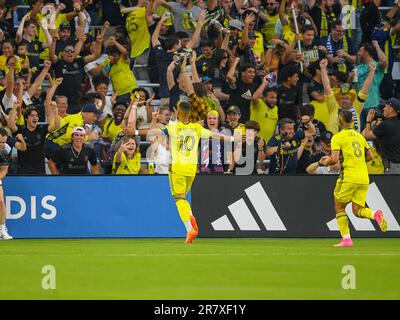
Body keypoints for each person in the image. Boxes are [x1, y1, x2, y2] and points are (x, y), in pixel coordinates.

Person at [139, 102, 238, 244]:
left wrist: (135, 132)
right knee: (183, 198)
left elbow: (153, 133)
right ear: (190, 114)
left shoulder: (172, 127)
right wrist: (233, 138)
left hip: (177, 168)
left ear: (177, 113)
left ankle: (189, 229)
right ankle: (191, 221)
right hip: (191, 169)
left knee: (179, 199)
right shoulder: (196, 128)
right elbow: (215, 136)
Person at [319, 109, 387, 247]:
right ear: (351, 121)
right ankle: (375, 214)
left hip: (349, 176)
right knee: (357, 210)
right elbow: (371, 156)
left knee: (339, 206)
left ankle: (346, 239)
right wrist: (357, 160)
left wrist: (325, 162)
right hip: (363, 177)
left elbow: (334, 159)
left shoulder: (338, 137)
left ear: (340, 121)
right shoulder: (359, 136)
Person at [362, 98, 400, 174]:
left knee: (392, 185)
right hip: (395, 165)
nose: (383, 109)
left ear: (391, 110)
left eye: (385, 107)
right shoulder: (396, 123)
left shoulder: (385, 125)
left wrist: (369, 120)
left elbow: (367, 135)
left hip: (393, 166)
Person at [250, 78, 278, 143]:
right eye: (271, 97)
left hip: (268, 144)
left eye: (275, 98)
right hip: (254, 142)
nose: (274, 100)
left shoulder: (276, 108)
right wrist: (264, 83)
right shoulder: (259, 104)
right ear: (264, 97)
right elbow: (254, 98)